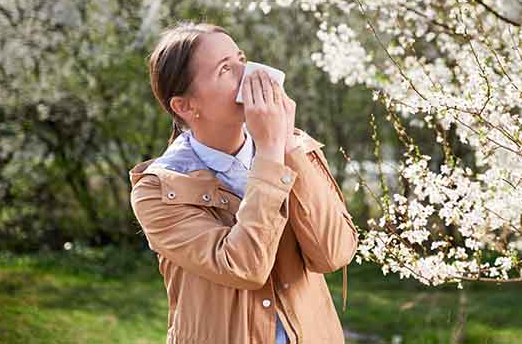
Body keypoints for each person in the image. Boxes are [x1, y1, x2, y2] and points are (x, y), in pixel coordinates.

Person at [128, 21, 358, 343]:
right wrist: (269, 155)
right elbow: (243, 267)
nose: (249, 74)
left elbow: (334, 254)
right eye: (225, 69)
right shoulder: (158, 191)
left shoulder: (292, 148)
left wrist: (287, 147)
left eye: (241, 58)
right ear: (185, 106)